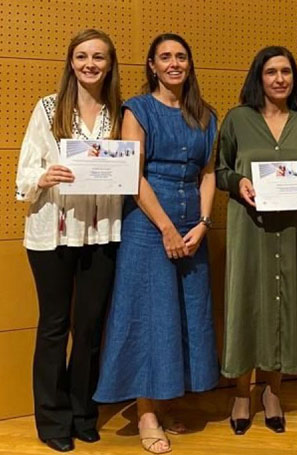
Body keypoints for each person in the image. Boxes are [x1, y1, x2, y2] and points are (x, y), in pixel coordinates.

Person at [93, 33, 219, 454]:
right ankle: (146, 413)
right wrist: (165, 227)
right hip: (148, 224)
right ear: (151, 65)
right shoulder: (137, 109)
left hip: (191, 223)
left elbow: (208, 173)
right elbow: (133, 175)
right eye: (165, 57)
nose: (174, 63)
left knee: (184, 314)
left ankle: (167, 401)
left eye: (181, 56)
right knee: (149, 313)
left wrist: (203, 222)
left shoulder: (206, 114)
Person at [15, 29, 122, 453]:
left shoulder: (121, 111)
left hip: (103, 232)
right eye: (81, 56)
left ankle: (83, 412)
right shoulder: (47, 108)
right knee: (55, 326)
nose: (90, 64)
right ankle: (52, 418)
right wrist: (43, 177)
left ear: (110, 64)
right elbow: (25, 169)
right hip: (52, 232)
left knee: (91, 326)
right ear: (71, 62)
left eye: (98, 57)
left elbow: (130, 170)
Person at [216, 46, 297, 435]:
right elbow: (221, 169)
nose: (280, 79)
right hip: (250, 227)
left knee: (285, 303)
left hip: (296, 229)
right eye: (271, 72)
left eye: (287, 72)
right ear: (258, 77)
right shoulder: (237, 119)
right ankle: (242, 393)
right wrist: (237, 182)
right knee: (248, 303)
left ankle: (272, 391)